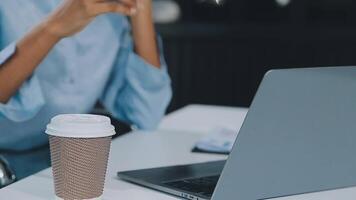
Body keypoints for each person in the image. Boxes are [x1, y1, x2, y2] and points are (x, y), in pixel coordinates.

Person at [0, 0, 172, 184]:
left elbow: (147, 113)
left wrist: (141, 8)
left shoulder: (112, 14)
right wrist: (54, 27)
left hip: (67, 162)